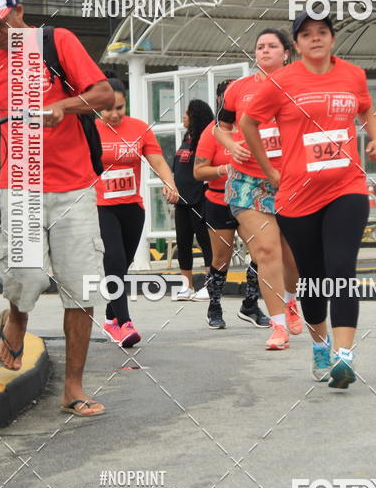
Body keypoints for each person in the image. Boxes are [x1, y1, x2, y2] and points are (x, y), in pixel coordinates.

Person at [0, 0, 115, 416]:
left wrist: (63, 107)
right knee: (26, 275)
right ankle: (16, 316)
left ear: (18, 10)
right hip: (19, 182)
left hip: (74, 185)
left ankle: (73, 388)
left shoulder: (57, 41)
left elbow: (102, 94)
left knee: (82, 288)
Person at [241, 10, 376, 386]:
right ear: (297, 44)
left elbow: (365, 107)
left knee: (341, 270)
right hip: (297, 196)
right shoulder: (281, 81)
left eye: (323, 32)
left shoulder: (352, 74)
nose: (316, 38)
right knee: (312, 279)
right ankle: (320, 345)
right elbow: (248, 123)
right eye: (307, 34)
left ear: (333, 38)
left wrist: (375, 138)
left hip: (346, 187)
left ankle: (344, 356)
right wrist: (269, 170)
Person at [215, 29, 302, 351]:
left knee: (292, 258)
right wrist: (230, 146)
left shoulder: (299, 84)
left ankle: (290, 299)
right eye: (260, 46)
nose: (265, 51)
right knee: (266, 252)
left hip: (291, 180)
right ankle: (277, 326)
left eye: (272, 46)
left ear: (286, 52)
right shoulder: (240, 89)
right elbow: (220, 127)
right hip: (247, 181)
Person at [96, 77, 178, 348]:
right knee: (115, 259)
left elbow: (157, 160)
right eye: (108, 109)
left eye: (120, 107)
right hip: (102, 207)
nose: (115, 114)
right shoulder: (90, 130)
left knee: (125, 263)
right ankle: (124, 323)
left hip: (133, 208)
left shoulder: (139, 129)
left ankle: (110, 316)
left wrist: (169, 182)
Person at [193, 80, 270, 330]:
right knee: (222, 258)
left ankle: (250, 304)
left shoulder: (257, 128)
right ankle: (214, 306)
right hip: (219, 201)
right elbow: (198, 172)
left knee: (261, 251)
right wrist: (224, 168)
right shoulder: (212, 132)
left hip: (249, 200)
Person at [172, 99, 214, 300]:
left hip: (199, 197)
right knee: (183, 242)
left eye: (187, 113)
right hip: (181, 199)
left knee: (205, 241)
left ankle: (209, 284)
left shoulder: (206, 137)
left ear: (195, 116)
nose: (183, 116)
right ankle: (186, 286)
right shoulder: (187, 137)